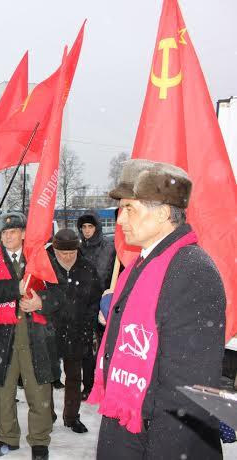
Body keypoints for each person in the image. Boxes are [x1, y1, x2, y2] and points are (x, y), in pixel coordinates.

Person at [90, 160, 225, 459]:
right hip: (131, 426)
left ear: (163, 213)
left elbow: (189, 391)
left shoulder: (191, 270)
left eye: (130, 208)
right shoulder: (144, 263)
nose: (121, 219)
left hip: (160, 441)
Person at [0, 211, 58, 460]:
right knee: (3, 392)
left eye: (13, 232)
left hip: (36, 337)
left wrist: (39, 302)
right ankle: (8, 438)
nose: (8, 236)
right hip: (3, 339)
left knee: (39, 392)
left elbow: (61, 296)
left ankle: (40, 441)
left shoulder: (41, 260)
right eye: (4, 233)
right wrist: (15, 288)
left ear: (24, 234)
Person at [46, 229, 102, 434]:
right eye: (63, 253)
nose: (68, 256)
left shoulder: (87, 268)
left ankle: (72, 416)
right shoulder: (47, 269)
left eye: (72, 252)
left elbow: (95, 301)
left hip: (78, 330)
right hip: (50, 330)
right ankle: (47, 416)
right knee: (48, 377)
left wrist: (88, 325)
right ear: (55, 249)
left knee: (74, 377)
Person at [76, 212, 116, 400]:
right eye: (83, 227)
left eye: (90, 227)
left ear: (97, 228)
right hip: (84, 305)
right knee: (87, 349)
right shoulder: (79, 249)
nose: (86, 231)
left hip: (105, 303)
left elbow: (116, 273)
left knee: (107, 347)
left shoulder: (109, 247)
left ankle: (108, 385)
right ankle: (89, 386)